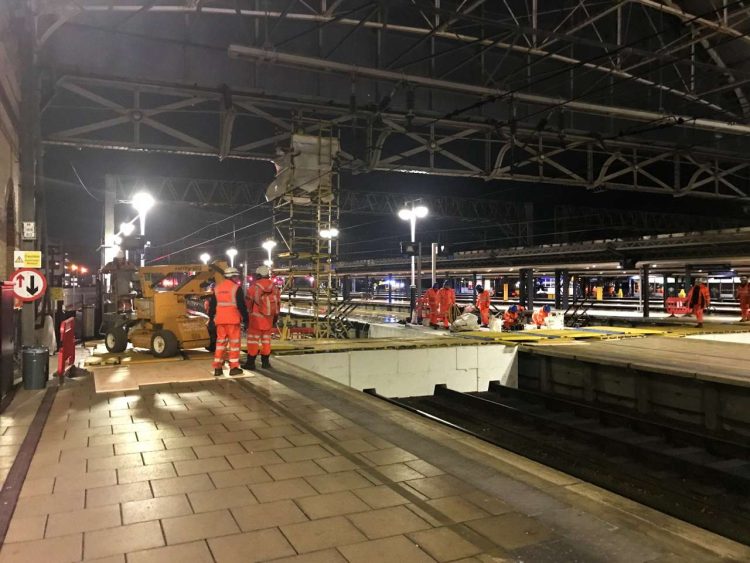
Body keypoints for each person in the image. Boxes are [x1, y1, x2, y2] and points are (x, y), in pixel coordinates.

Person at [208, 268, 249, 376]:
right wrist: (246, 319)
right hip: (232, 320)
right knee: (234, 344)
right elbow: (241, 306)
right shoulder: (236, 288)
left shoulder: (217, 288)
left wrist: (211, 318)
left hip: (220, 320)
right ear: (233, 276)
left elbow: (212, 306)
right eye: (236, 276)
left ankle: (217, 368)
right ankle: (234, 368)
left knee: (220, 343)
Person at [245, 264, 281, 370]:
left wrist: (247, 316)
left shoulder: (253, 288)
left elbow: (248, 304)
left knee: (253, 341)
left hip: (255, 320)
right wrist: (275, 317)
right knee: (266, 341)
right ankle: (266, 363)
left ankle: (250, 363)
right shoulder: (275, 288)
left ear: (258, 275)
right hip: (269, 319)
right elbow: (278, 304)